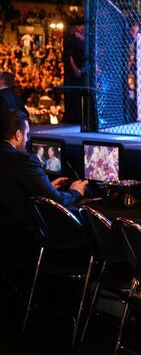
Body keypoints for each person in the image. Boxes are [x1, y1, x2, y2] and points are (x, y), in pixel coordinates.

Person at [0, 109, 87, 266]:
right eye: (26, 134)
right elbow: (56, 200)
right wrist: (76, 191)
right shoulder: (23, 160)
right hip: (20, 235)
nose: (27, 140)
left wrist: (46, 187)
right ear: (18, 135)